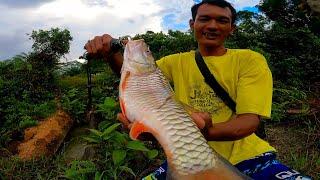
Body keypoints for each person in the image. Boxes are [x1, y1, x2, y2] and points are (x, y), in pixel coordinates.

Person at [84, 0, 311, 179]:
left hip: (250, 155)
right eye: (204, 19)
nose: (212, 25)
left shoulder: (250, 60)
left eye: (222, 21)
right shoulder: (174, 62)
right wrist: (110, 53)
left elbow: (249, 122)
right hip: (183, 158)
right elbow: (138, 84)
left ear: (232, 28)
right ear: (193, 25)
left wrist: (181, 135)